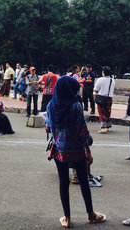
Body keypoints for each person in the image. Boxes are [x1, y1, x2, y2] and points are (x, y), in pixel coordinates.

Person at [44, 76, 106, 228]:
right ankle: (90, 214)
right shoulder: (75, 106)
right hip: (77, 149)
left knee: (63, 182)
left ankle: (67, 218)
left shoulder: (51, 105)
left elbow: (48, 127)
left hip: (59, 149)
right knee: (83, 181)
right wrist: (88, 150)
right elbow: (82, 131)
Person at [93, 66, 115, 134]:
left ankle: (103, 127)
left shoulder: (100, 79)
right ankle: (108, 126)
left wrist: (94, 96)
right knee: (107, 112)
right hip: (109, 98)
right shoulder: (112, 80)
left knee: (101, 113)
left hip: (101, 98)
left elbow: (96, 90)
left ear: (103, 72)